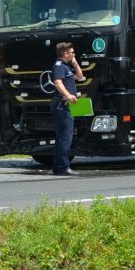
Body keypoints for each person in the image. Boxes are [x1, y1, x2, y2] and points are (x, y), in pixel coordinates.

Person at [50, 41, 85, 176]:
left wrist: (75, 62)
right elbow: (58, 83)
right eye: (72, 52)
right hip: (62, 104)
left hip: (65, 105)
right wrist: (69, 95)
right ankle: (63, 167)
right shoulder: (59, 66)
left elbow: (80, 76)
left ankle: (58, 167)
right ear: (65, 53)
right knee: (65, 137)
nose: (73, 54)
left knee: (63, 136)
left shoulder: (66, 67)